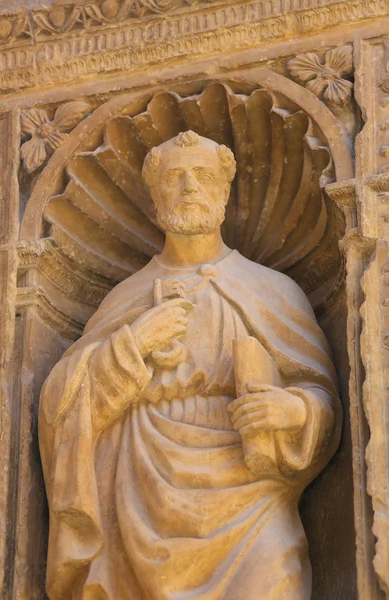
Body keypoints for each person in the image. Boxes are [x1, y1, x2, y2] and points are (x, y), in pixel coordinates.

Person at [39, 130, 341, 600]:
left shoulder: (271, 291)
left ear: (224, 190)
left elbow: (322, 394)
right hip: (138, 493)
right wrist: (131, 344)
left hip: (251, 500)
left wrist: (296, 411)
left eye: (202, 176)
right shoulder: (127, 298)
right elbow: (61, 402)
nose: (189, 188)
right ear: (155, 196)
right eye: (175, 178)